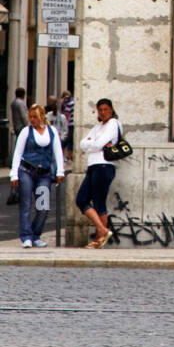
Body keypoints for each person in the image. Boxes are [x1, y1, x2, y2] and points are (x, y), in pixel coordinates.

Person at [10, 102, 65, 247]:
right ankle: (26, 236)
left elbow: (58, 151)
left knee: (43, 206)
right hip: (26, 171)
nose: (32, 120)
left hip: (44, 173)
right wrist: (14, 174)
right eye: (30, 117)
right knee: (26, 204)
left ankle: (36, 234)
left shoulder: (52, 131)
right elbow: (18, 153)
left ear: (42, 117)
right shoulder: (26, 132)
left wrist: (60, 171)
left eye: (35, 117)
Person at [75, 98, 122, 249]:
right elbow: (83, 144)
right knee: (82, 199)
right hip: (93, 165)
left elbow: (99, 144)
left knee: (99, 202)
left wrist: (93, 144)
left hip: (104, 166)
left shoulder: (113, 124)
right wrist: (93, 145)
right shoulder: (97, 126)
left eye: (105, 109)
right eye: (100, 110)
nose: (103, 112)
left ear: (111, 110)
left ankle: (99, 238)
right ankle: (102, 231)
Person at [9, 87, 28, 157]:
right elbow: (23, 116)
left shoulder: (14, 103)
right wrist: (28, 126)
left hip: (16, 125)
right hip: (21, 127)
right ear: (23, 95)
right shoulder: (20, 103)